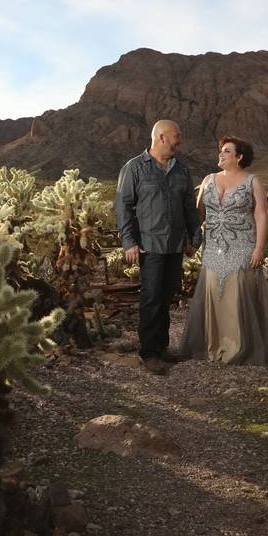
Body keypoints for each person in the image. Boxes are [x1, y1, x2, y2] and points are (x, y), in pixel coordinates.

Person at [179, 136, 268, 365]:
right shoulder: (208, 180)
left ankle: (240, 348)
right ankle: (214, 345)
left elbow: (261, 215)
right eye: (220, 151)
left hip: (242, 245)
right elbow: (199, 214)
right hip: (213, 247)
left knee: (237, 293)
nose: (220, 155)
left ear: (239, 157)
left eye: (226, 151)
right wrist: (193, 241)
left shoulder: (253, 181)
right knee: (214, 292)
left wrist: (259, 248)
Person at [115, 120, 201, 374]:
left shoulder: (181, 170)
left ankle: (162, 347)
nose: (180, 140)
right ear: (161, 137)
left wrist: (193, 238)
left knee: (165, 298)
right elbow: (123, 208)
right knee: (151, 298)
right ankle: (149, 353)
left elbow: (189, 207)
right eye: (177, 135)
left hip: (175, 245)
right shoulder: (134, 168)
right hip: (148, 246)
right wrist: (129, 242)